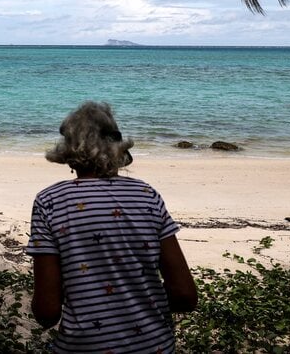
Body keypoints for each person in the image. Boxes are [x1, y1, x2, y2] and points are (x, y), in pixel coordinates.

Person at [27, 101, 197, 353]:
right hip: (156, 346)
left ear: (70, 152)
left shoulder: (50, 201)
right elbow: (185, 296)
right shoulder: (146, 194)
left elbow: (47, 312)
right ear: (117, 147)